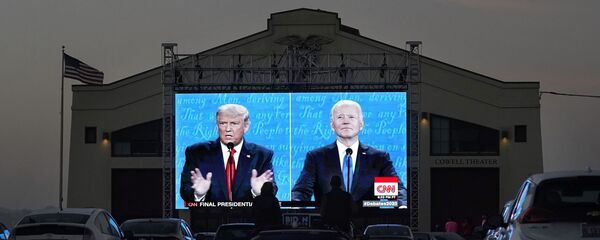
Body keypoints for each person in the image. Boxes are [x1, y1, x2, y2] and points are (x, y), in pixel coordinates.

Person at [291, 100, 407, 206]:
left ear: (361, 124)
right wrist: (296, 207)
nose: (346, 121)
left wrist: (402, 205)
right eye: (340, 117)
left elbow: (397, 190)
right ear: (332, 125)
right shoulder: (316, 157)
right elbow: (301, 192)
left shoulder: (378, 158)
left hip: (367, 223)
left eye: (351, 117)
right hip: (328, 225)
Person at [180, 104, 276, 203]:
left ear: (246, 126)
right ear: (217, 126)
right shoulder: (197, 152)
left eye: (234, 123)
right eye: (223, 123)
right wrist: (199, 194)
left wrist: (259, 193)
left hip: (248, 217)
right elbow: (184, 190)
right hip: (209, 216)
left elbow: (273, 191)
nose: (228, 129)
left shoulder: (262, 155)